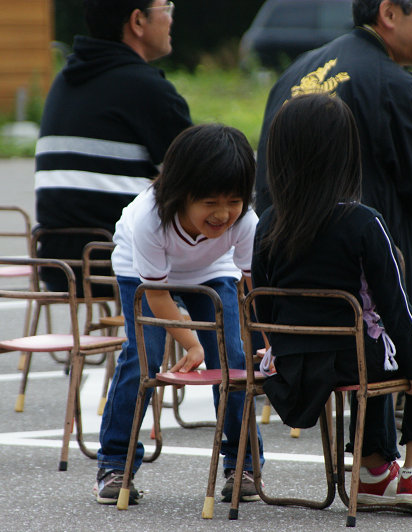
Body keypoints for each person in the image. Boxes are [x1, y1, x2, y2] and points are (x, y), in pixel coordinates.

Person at [253, 93, 412, 509]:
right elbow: (395, 307)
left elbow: (263, 302)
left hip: (295, 362)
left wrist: (277, 347)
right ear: (346, 155)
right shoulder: (364, 221)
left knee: (372, 348)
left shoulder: (269, 221)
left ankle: (374, 471)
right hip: (355, 357)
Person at [254, 0, 412, 321]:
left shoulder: (295, 72)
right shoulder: (393, 85)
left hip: (289, 290)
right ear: (390, 13)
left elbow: (266, 189)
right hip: (375, 298)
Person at [95, 124, 265, 505]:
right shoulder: (150, 218)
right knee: (144, 358)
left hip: (212, 267)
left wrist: (272, 342)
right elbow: (157, 295)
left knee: (233, 359)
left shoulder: (245, 221)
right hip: (141, 271)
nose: (222, 213)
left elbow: (255, 288)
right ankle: (114, 463)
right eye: (209, 202)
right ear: (180, 192)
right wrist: (191, 343)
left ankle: (243, 462)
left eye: (234, 201)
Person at [34, 0, 191, 293]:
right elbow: (203, 179)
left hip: (59, 265)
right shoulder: (148, 89)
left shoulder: (64, 81)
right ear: (138, 21)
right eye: (166, 8)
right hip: (124, 265)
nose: (170, 19)